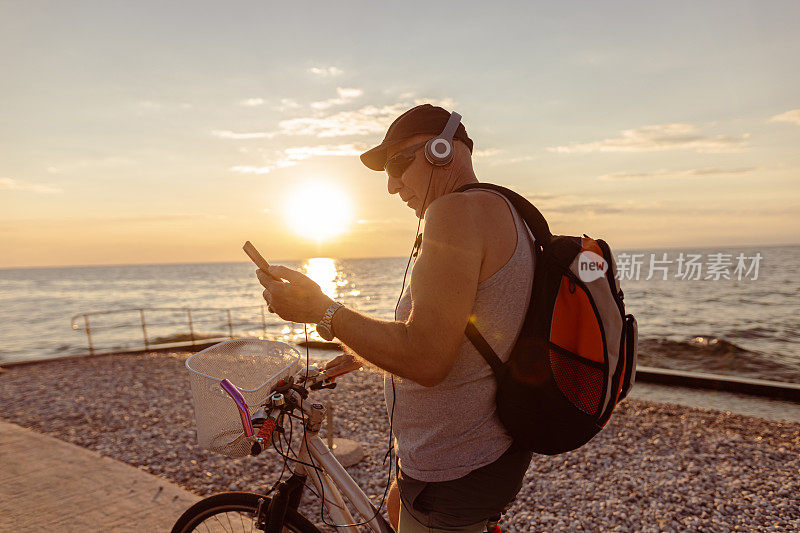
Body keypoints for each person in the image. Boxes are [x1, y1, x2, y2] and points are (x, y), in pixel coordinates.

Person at [256, 104, 534, 532]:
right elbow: (471, 329)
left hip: (455, 468)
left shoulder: (454, 214)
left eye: (399, 164)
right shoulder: (504, 209)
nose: (391, 185)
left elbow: (426, 360)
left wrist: (321, 311)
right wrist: (360, 351)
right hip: (485, 454)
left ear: (444, 150)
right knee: (393, 506)